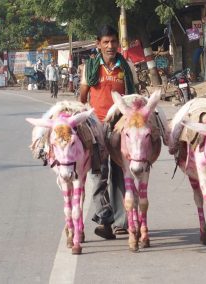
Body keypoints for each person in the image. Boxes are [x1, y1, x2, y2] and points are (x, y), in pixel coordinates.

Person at [79, 25, 136, 239]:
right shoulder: (91, 67)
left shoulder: (126, 66)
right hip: (97, 125)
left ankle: (121, 221)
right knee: (99, 173)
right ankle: (104, 217)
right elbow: (83, 98)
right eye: (106, 42)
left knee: (121, 172)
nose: (110, 46)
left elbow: (132, 97)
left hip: (120, 125)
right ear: (98, 44)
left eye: (113, 41)